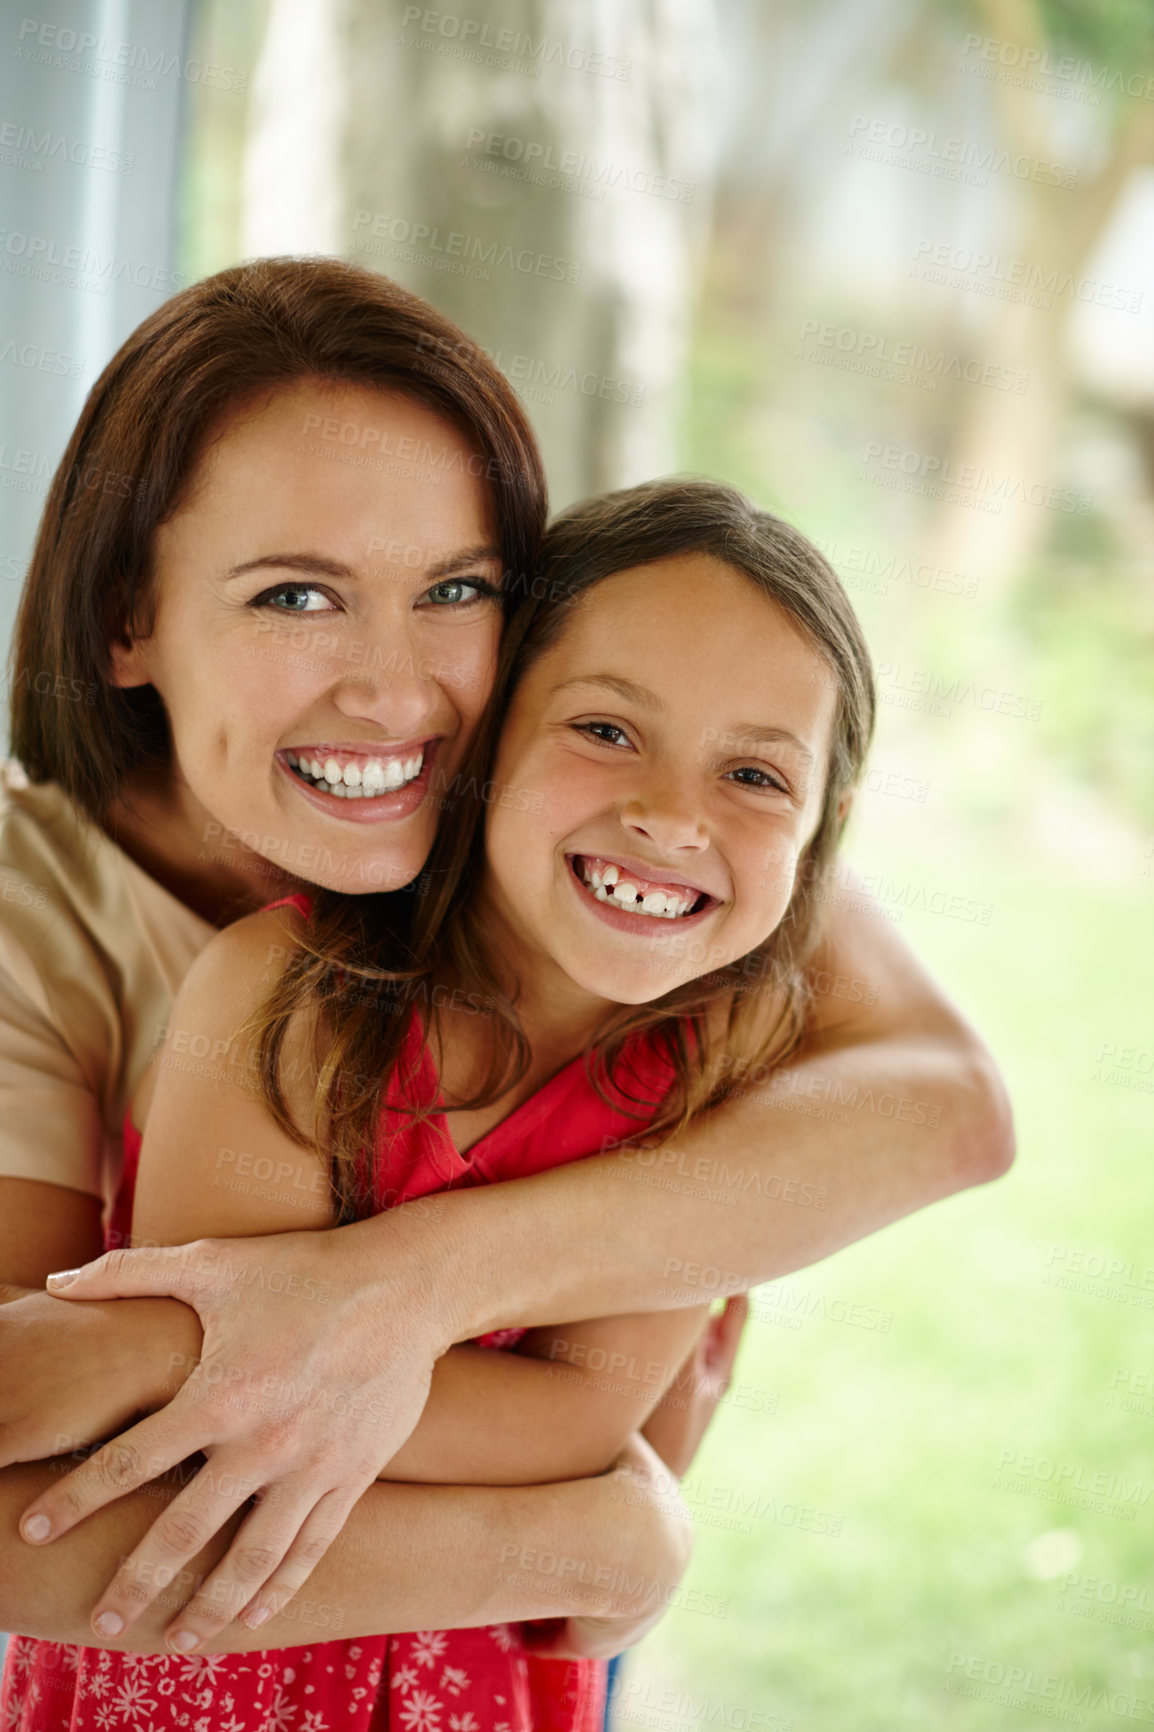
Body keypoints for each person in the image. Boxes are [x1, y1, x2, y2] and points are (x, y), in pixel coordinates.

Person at [0, 259, 1013, 1652]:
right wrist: (588, 1546)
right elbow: (62, 1502)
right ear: (129, 615)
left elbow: (948, 1116)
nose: (394, 690)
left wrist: (378, 1295)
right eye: (296, 595)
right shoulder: (66, 936)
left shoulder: (643, 860)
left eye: (457, 588)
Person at [4, 475, 880, 1732]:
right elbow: (217, 1430)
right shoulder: (288, 995)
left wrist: (160, 1356)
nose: (671, 816)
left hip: (473, 1693)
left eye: (752, 773)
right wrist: (561, 1510)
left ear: (822, 826)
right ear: (487, 740)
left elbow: (579, 1411)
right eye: (606, 730)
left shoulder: (714, 1082)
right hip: (202, 1680)